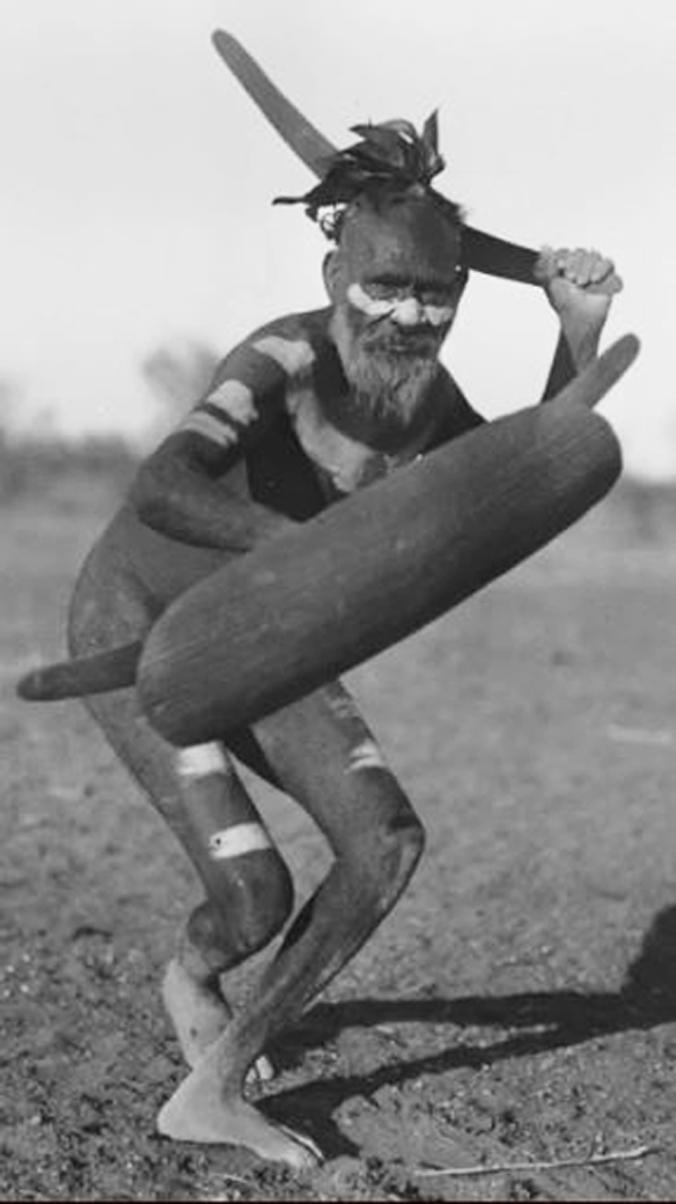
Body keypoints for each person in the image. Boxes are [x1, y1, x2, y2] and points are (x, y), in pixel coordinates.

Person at [66, 118, 621, 1168]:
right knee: (253, 897)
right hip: (137, 621)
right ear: (335, 271)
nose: (409, 314)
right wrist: (300, 548)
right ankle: (194, 972)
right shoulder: (282, 354)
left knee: (384, 844)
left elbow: (530, 473)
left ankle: (213, 1081)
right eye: (384, 287)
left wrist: (577, 331)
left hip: (263, 635)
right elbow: (165, 487)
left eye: (434, 295)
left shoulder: (427, 404)